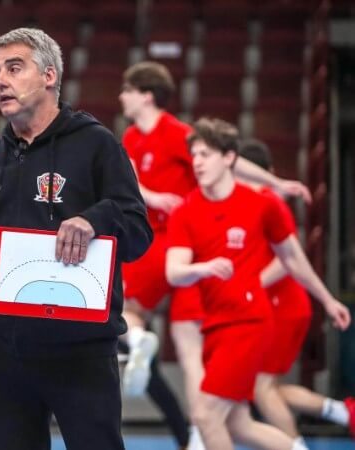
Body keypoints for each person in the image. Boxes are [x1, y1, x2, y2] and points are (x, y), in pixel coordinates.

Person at [0, 28, 152, 449]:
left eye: (14, 68)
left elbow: (138, 232)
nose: (0, 81)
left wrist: (94, 220)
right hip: (7, 351)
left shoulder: (96, 144)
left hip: (81, 349)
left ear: (49, 75)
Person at [118, 61, 314, 448]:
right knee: (188, 350)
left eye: (127, 90)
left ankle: (142, 345)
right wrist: (153, 196)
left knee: (167, 336)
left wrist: (275, 182)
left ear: (146, 95)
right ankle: (196, 430)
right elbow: (128, 180)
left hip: (181, 247)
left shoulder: (175, 132)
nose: (120, 97)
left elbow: (230, 160)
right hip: (164, 247)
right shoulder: (131, 137)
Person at [165, 117, 350, 450]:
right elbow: (173, 272)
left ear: (229, 158)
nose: (197, 162)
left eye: (206, 154)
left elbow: (293, 260)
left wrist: (327, 299)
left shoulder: (262, 204)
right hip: (215, 324)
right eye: (194, 155)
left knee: (206, 416)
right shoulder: (185, 211)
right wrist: (203, 268)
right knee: (238, 424)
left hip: (249, 321)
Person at [237, 139, 355, 442]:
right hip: (277, 304)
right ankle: (343, 412)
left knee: (261, 388)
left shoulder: (268, 201)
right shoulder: (248, 202)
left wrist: (249, 285)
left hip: (283, 305)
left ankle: (293, 446)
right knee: (266, 387)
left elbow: (287, 260)